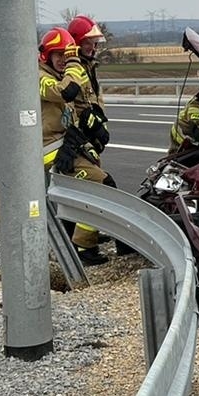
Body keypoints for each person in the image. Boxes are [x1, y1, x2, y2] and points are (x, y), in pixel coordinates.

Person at [38, 26, 113, 265]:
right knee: (97, 183)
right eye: (58, 55)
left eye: (66, 54)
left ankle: (76, 237)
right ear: (46, 55)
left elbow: (76, 107)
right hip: (47, 151)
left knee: (97, 175)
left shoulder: (61, 73)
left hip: (63, 145)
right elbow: (66, 93)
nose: (63, 60)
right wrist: (73, 64)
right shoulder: (39, 77)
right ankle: (83, 248)